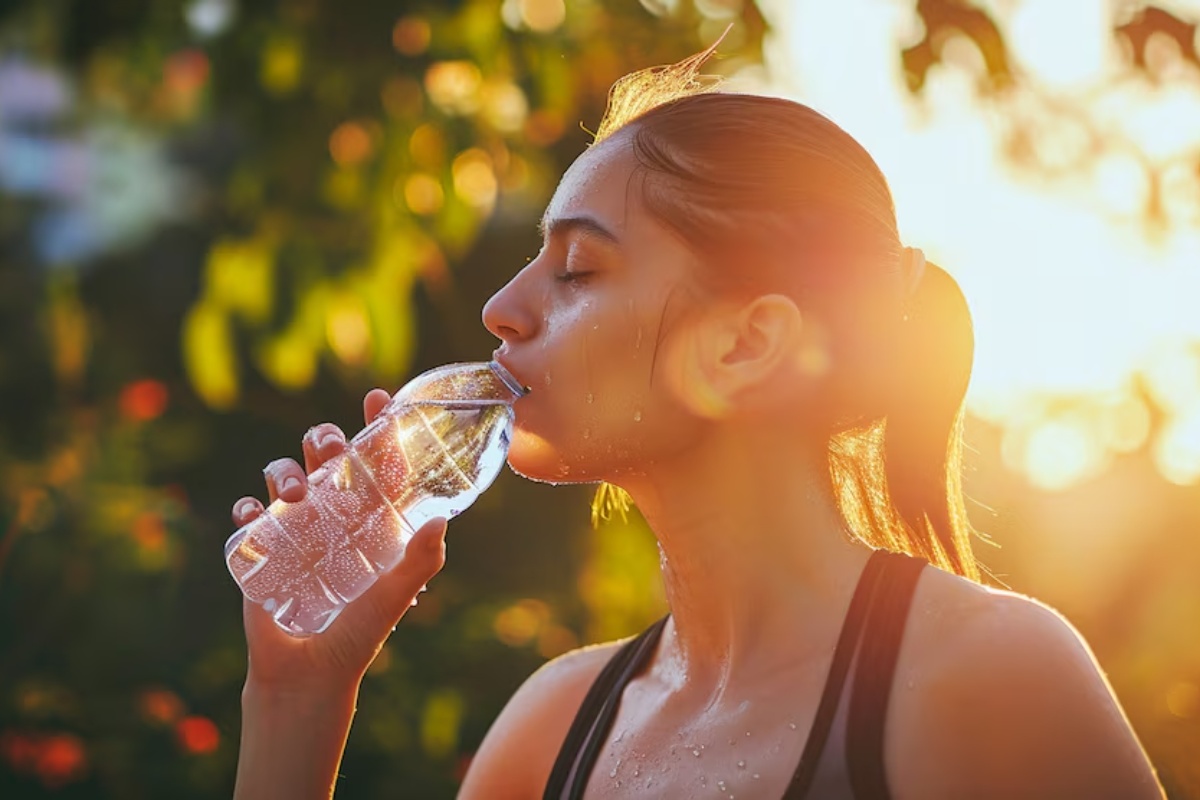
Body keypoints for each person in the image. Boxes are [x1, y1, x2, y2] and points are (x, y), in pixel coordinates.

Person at [229, 46, 1165, 800]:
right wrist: (298, 698)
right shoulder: (550, 730)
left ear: (746, 345)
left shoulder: (988, 680)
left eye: (578, 271)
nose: (502, 309)